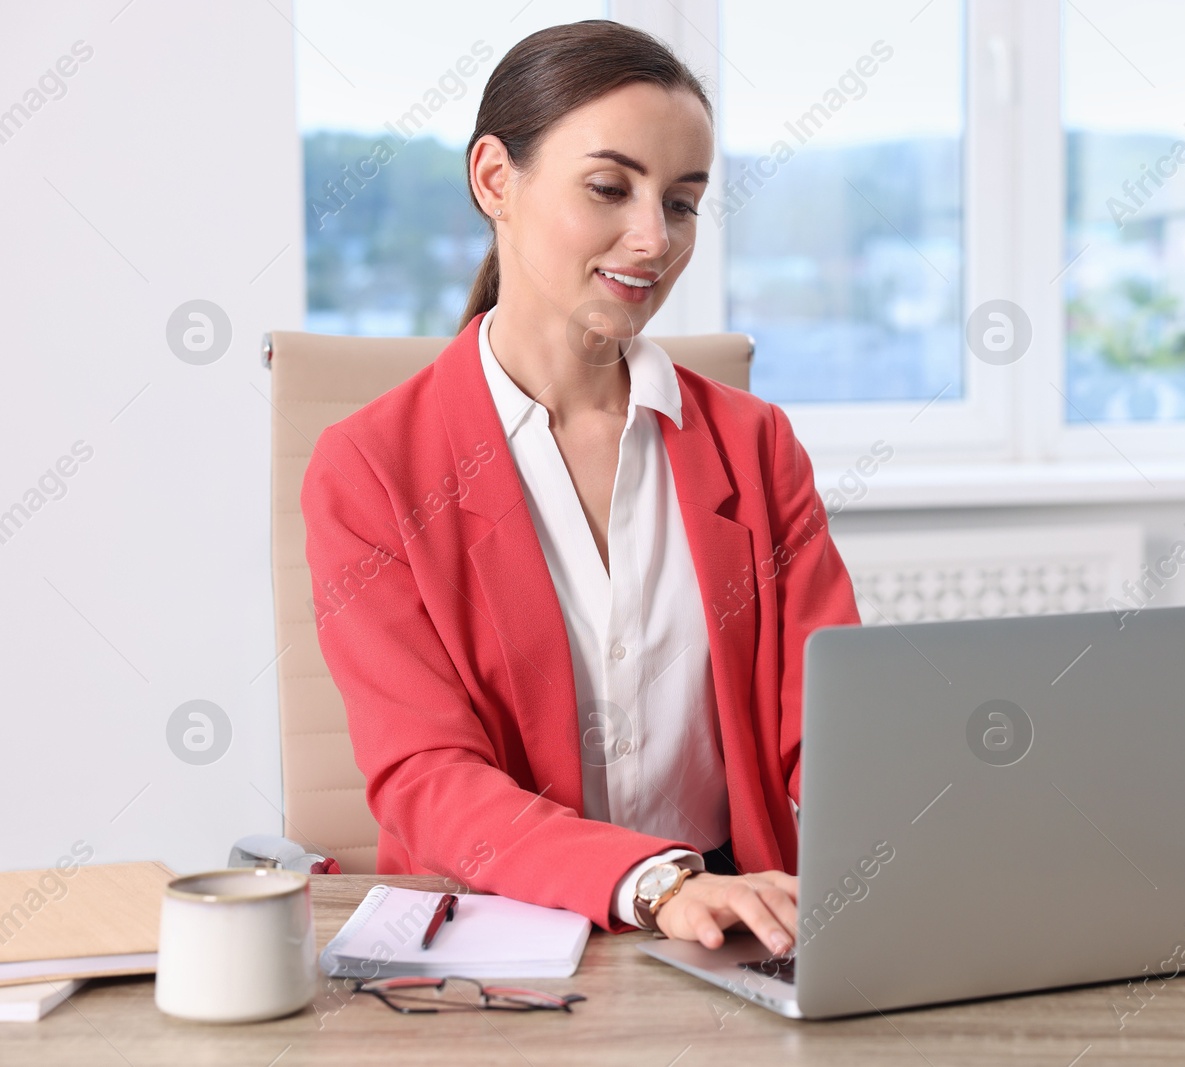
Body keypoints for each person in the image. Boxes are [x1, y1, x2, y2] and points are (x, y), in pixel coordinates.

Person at [301, 21, 860, 959]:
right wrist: (655, 883)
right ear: (494, 180)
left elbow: (834, 721)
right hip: (497, 927)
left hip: (734, 924)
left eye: (682, 203)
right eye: (610, 187)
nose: (653, 239)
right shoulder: (369, 468)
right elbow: (427, 775)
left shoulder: (757, 447)